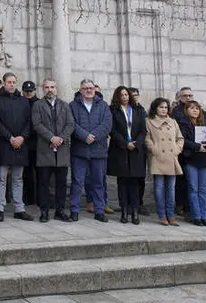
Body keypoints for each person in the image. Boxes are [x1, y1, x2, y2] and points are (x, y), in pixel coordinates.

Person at [0, 72, 34, 222]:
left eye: (14, 82)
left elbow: (29, 122)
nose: (12, 84)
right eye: (9, 82)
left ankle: (19, 208)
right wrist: (10, 137)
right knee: (1, 178)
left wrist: (22, 137)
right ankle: (0, 208)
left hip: (20, 144)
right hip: (4, 143)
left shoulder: (23, 101)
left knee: (18, 178)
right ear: (4, 83)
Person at [69, 79, 110, 223]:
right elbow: (71, 124)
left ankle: (99, 211)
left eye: (91, 88)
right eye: (85, 88)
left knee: (98, 182)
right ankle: (74, 210)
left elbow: (107, 124)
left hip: (98, 150)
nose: (88, 90)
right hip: (79, 150)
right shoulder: (73, 106)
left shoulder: (104, 106)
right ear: (80, 90)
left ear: (95, 89)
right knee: (77, 182)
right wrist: (84, 136)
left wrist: (94, 136)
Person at [32, 78, 73, 223]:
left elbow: (70, 124)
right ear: (43, 89)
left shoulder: (64, 105)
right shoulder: (38, 105)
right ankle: (44, 211)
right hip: (45, 149)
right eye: (47, 87)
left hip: (61, 151)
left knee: (61, 183)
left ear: (56, 88)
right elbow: (37, 124)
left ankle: (60, 211)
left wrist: (60, 139)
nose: (50, 90)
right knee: (44, 183)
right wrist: (51, 138)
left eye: (52, 87)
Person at [109, 86, 146, 225]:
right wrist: (125, 144)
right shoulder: (113, 110)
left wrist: (137, 144)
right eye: (121, 95)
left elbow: (143, 130)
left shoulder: (139, 110)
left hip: (136, 150)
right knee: (122, 182)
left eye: (126, 94)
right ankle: (124, 211)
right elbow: (112, 130)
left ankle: (135, 212)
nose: (124, 97)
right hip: (120, 149)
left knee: (135, 182)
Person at [146, 98, 184, 225]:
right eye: (161, 107)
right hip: (158, 157)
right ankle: (162, 215)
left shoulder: (172, 122)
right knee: (159, 188)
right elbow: (147, 138)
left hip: (172, 157)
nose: (164, 109)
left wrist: (176, 149)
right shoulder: (149, 121)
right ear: (155, 108)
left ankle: (171, 215)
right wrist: (154, 149)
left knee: (171, 189)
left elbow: (180, 138)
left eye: (166, 107)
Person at [178, 100, 206, 226]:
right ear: (186, 110)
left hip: (204, 158)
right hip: (191, 158)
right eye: (192, 108)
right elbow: (184, 140)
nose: (195, 111)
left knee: (203, 189)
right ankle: (196, 215)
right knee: (193, 188)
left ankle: (204, 216)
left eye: (197, 108)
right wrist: (197, 146)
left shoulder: (205, 123)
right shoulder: (183, 123)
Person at [171, 87, 195, 216]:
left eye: (190, 95)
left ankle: (193, 207)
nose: (188, 98)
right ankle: (181, 204)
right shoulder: (177, 111)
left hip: (198, 151)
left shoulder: (198, 109)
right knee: (182, 180)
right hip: (182, 150)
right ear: (179, 98)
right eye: (185, 96)